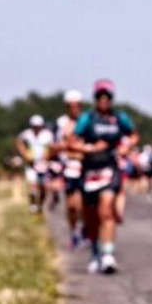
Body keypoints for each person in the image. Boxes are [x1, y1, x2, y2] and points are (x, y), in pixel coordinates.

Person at [69, 79, 138, 274]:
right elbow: (71, 142)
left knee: (107, 210)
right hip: (90, 170)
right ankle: (95, 251)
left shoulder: (119, 118)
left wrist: (126, 146)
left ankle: (108, 254)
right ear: (95, 98)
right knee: (91, 217)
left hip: (110, 168)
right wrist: (89, 148)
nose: (104, 100)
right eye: (100, 96)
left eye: (107, 97)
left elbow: (133, 135)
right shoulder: (87, 119)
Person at [54, 90, 86, 247]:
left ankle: (85, 229)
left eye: (78, 105)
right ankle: (73, 231)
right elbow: (54, 145)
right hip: (68, 167)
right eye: (72, 106)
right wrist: (66, 146)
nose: (75, 108)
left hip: (84, 167)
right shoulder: (61, 123)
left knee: (82, 205)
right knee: (71, 206)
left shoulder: (87, 121)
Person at [16, 114, 54, 213]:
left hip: (43, 164)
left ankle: (40, 205)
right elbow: (19, 141)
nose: (36, 128)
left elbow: (52, 147)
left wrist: (48, 157)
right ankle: (32, 204)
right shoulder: (27, 134)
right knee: (32, 185)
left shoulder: (47, 135)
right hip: (31, 164)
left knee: (43, 187)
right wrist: (24, 154)